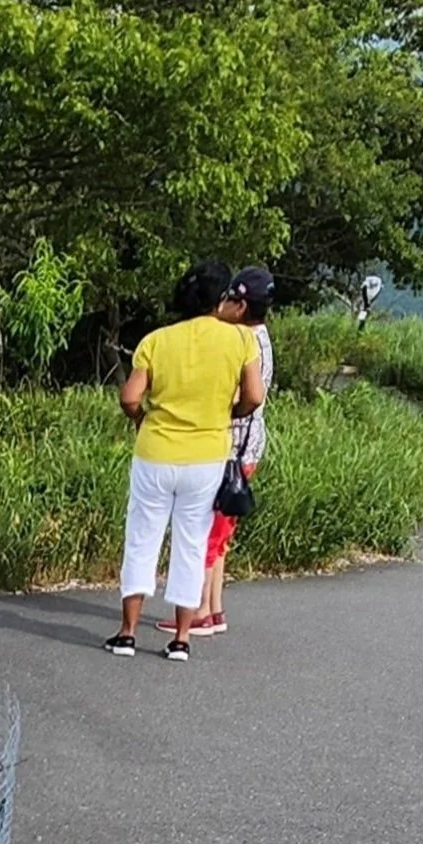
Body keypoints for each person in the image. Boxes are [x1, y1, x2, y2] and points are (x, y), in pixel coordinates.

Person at [107, 261, 265, 662]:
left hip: (155, 451)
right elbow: (254, 395)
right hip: (207, 453)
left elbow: (129, 397)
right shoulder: (239, 341)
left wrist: (143, 419)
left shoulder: (156, 340)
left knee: (142, 538)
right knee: (191, 544)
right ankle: (180, 638)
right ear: (220, 299)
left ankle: (127, 632)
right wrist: (229, 414)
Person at [166, 266, 275, 637]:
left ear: (240, 306)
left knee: (207, 533)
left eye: (229, 299)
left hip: (231, 447)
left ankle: (195, 611)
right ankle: (213, 609)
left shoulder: (245, 343)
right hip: (246, 448)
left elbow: (241, 395)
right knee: (221, 534)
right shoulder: (258, 337)